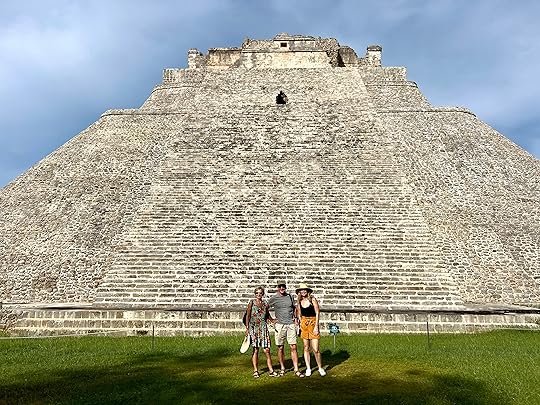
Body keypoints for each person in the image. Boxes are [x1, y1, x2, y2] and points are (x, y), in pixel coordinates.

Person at [268, 281, 305, 378]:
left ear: (285, 287)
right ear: (277, 288)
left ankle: (296, 369)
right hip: (280, 325)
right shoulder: (274, 298)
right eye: (280, 286)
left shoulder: (290, 297)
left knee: (293, 346)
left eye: (283, 286)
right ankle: (282, 368)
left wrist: (295, 318)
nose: (281, 288)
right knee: (280, 347)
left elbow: (294, 308)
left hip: (290, 324)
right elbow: (265, 308)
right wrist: (271, 319)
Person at [245, 286, 279, 378]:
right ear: (255, 294)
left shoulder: (265, 304)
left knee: (267, 350)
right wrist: (247, 328)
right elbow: (248, 316)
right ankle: (255, 370)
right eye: (257, 293)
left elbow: (267, 314)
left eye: (260, 293)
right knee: (255, 349)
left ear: (263, 294)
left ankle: (271, 370)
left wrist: (272, 320)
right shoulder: (252, 303)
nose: (258, 294)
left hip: (263, 327)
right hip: (254, 327)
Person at [296, 283, 326, 377]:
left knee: (316, 349)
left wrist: (316, 326)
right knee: (306, 347)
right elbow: (299, 313)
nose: (303, 291)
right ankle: (308, 368)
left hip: (313, 323)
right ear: (299, 292)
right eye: (301, 290)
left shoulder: (312, 299)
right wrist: (300, 323)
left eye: (304, 290)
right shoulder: (299, 301)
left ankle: (320, 367)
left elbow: (317, 312)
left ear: (307, 291)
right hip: (304, 324)